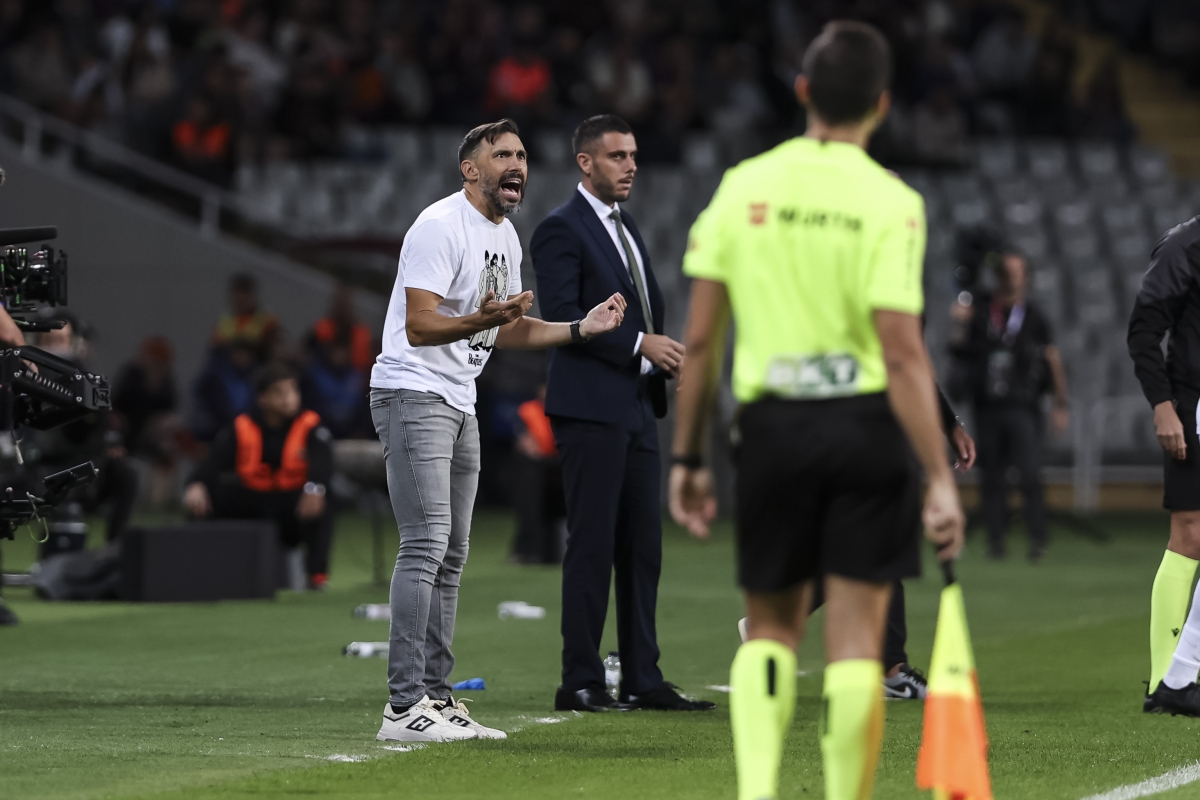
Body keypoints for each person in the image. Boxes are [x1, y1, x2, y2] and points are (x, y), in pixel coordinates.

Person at [669, 22, 964, 800]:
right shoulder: (894, 201)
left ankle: (760, 790)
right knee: (859, 646)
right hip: (867, 432)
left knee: (769, 631)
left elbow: (700, 345)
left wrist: (688, 458)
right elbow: (904, 353)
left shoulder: (743, 186)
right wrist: (937, 475)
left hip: (772, 430)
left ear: (802, 91)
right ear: (882, 105)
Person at [369, 118, 627, 744]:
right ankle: (403, 707)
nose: (517, 163)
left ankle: (435, 695)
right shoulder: (438, 225)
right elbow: (423, 325)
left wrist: (578, 329)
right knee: (426, 542)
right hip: (413, 390)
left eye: (522, 154)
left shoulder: (506, 238)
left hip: (460, 398)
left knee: (452, 554)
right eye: (501, 154)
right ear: (471, 169)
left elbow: (505, 327)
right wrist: (478, 318)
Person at [531, 113, 710, 713]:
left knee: (642, 548)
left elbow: (640, 314)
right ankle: (579, 678)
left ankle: (641, 677)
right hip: (589, 408)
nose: (631, 165)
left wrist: (657, 361)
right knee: (593, 544)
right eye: (617, 156)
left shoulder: (624, 225)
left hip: (635, 405)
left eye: (633, 155)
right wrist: (640, 345)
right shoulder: (561, 229)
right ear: (586, 163)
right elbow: (560, 316)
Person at [949, 251, 1068, 561]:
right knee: (991, 477)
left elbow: (1051, 358)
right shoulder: (982, 312)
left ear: (1025, 276)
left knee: (1029, 473)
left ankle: (1037, 539)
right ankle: (996, 541)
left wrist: (1059, 403)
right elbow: (960, 352)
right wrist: (959, 323)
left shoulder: (1035, 316)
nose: (1012, 278)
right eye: (1007, 272)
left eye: (1018, 272)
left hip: (1022, 405)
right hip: (987, 404)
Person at [1128, 214, 1200, 716]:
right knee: (1189, 533)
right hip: (1192, 402)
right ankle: (1166, 680)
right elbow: (1144, 330)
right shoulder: (1185, 246)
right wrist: (1162, 404)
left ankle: (1178, 678)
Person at [183, 361, 335, 591]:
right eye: (280, 393)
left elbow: (323, 461)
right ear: (262, 399)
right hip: (253, 501)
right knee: (204, 497)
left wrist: (315, 487)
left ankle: (316, 576)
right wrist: (197, 484)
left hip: (291, 506)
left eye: (293, 391)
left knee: (325, 500)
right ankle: (197, 569)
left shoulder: (311, 425)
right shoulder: (242, 426)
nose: (288, 398)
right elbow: (214, 461)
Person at [508, 385, 566, 565]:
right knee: (530, 507)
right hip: (533, 464)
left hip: (557, 463)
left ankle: (554, 551)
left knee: (558, 510)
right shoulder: (529, 410)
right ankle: (527, 551)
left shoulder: (562, 409)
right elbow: (522, 437)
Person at [211, 273, 280, 361]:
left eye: (244, 298)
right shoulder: (223, 323)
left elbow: (276, 349)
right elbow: (214, 350)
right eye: (236, 299)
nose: (240, 303)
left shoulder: (267, 319)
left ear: (252, 296)